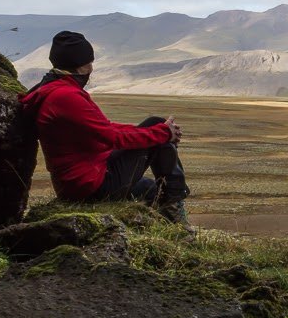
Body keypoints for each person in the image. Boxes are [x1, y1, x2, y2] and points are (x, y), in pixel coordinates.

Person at [19, 30, 192, 224]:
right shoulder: (66, 97)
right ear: (83, 66)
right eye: (89, 62)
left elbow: (104, 128)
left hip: (81, 181)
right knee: (156, 124)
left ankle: (171, 224)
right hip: (91, 187)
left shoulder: (53, 89)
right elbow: (112, 137)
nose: (92, 67)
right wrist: (162, 133)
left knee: (150, 189)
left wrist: (157, 132)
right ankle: (176, 208)